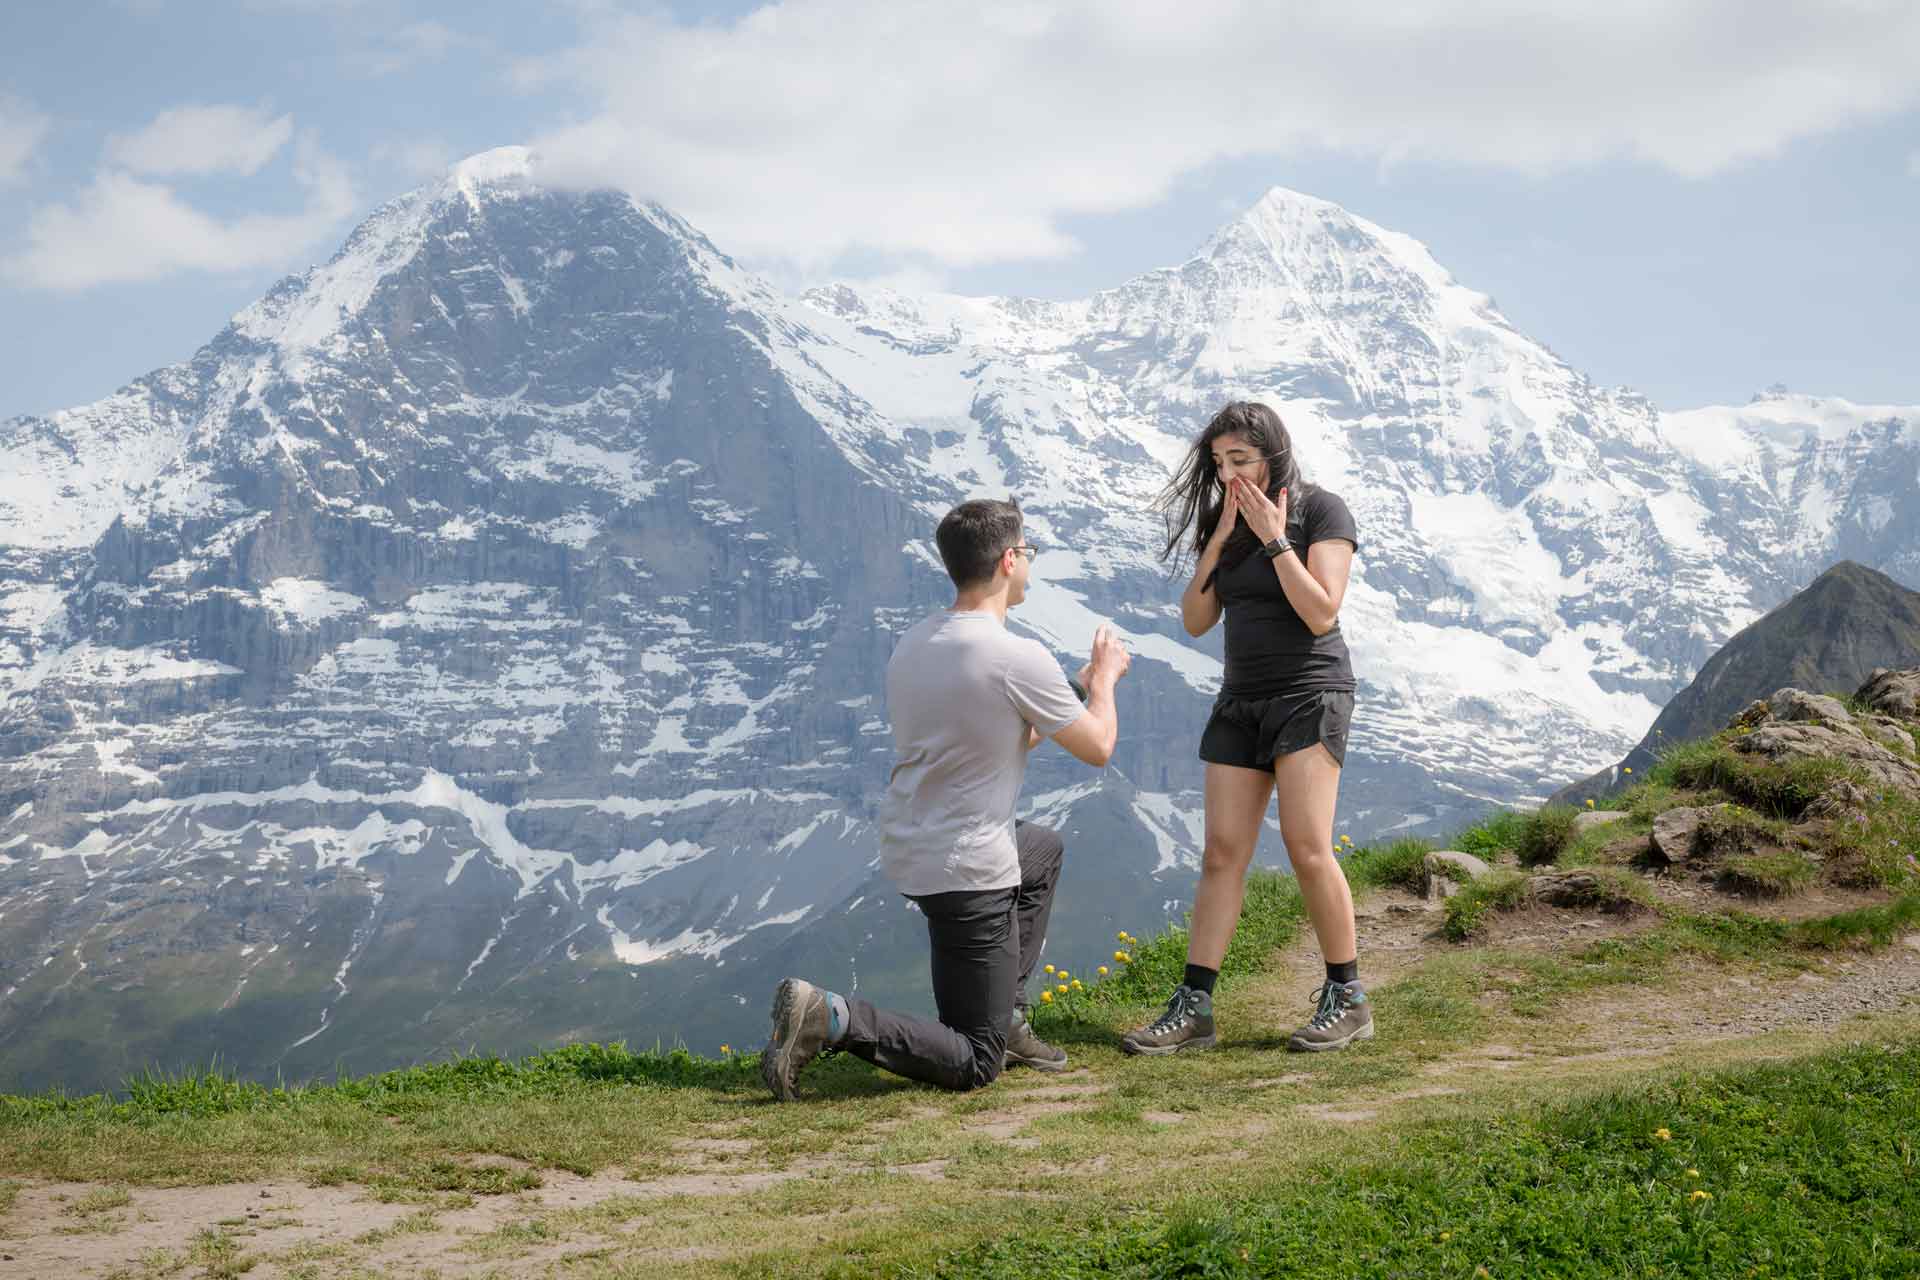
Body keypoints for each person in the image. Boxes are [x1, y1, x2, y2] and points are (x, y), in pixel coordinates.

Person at [761, 497, 1132, 1100]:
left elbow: (999, 730)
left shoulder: (916, 643)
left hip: (915, 842)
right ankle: (830, 1016)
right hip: (967, 866)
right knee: (974, 1060)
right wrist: (1106, 683)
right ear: (1010, 560)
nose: (1029, 565)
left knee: (1041, 850)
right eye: (1028, 554)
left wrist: (1075, 689)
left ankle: (1004, 1016)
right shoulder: (1014, 655)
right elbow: (1098, 747)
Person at [1121, 401, 1371, 1056]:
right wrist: (1220, 536)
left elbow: (1321, 612)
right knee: (1221, 853)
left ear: (1273, 454)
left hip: (1310, 693)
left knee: (1307, 845)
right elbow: (1197, 619)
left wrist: (1274, 537)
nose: (1229, 474)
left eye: (1241, 461)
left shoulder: (1322, 510)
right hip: (1241, 700)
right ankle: (1194, 1008)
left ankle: (1347, 998)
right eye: (1219, 463)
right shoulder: (1225, 519)